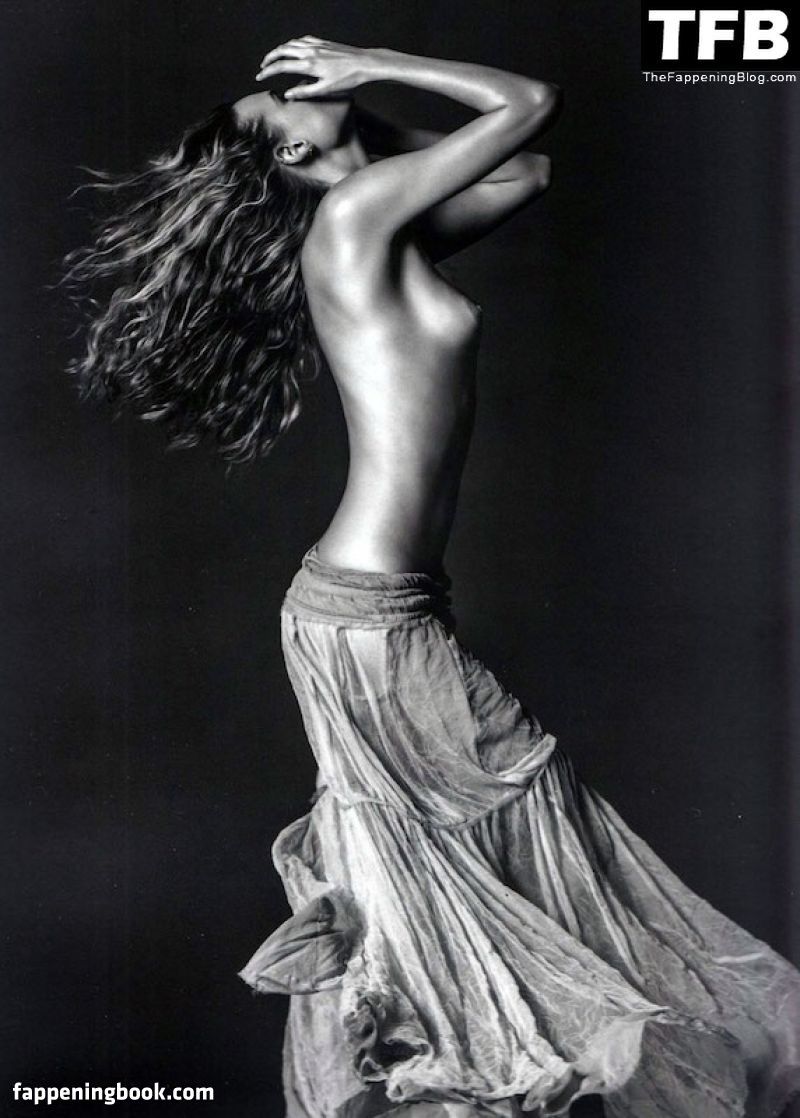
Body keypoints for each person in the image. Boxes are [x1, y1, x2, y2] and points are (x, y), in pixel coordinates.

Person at [64, 36, 800, 1118]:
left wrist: (359, 127)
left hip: (380, 609)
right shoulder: (354, 218)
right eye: (278, 100)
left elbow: (525, 168)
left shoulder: (373, 215)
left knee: (469, 884)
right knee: (475, 876)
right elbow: (532, 101)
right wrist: (366, 62)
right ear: (288, 154)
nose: (294, 87)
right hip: (368, 618)